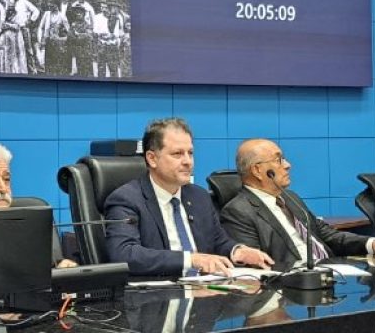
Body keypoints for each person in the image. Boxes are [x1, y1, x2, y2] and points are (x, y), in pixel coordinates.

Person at [104, 118, 274, 276]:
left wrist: (238, 251)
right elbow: (125, 254)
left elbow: (218, 241)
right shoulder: (127, 199)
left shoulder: (199, 196)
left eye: (190, 153)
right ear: (152, 159)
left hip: (204, 292)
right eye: (177, 154)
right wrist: (190, 259)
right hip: (157, 295)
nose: (188, 162)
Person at [219, 138, 375, 267]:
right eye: (278, 160)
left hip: (331, 272)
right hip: (292, 289)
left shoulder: (290, 198)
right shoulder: (237, 212)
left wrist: (373, 243)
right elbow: (258, 266)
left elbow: (325, 234)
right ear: (257, 171)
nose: (287, 165)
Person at [0, 142, 77, 268]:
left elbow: (51, 267)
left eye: (6, 179)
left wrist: (61, 269)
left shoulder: (28, 221)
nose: (2, 188)